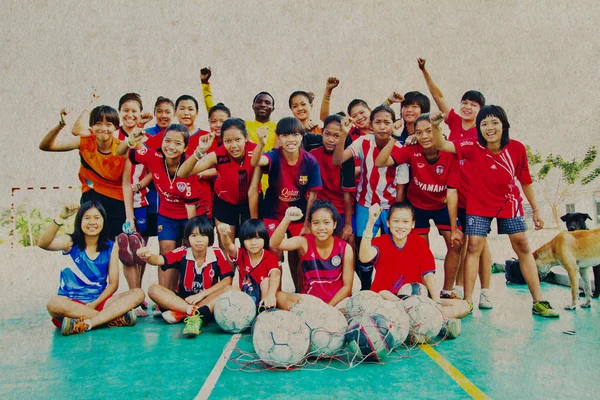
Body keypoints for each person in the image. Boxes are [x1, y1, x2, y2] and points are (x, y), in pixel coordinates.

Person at [430, 107, 559, 317]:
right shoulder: (472, 146)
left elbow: (525, 181)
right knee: (473, 247)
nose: (489, 128)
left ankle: (539, 301)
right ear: (479, 128)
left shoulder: (517, 148)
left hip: (508, 202)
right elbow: (443, 144)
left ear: (504, 124)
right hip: (479, 204)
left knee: (523, 245)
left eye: (494, 122)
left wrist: (536, 210)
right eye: (484, 124)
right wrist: (436, 126)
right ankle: (468, 302)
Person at [417, 57, 491, 306]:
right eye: (465, 102)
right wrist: (425, 70)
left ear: (482, 109)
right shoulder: (455, 123)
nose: (468, 107)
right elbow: (437, 96)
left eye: (474, 104)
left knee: (479, 243)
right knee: (462, 242)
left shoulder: (482, 131)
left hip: (478, 196)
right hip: (458, 194)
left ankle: (485, 291)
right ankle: (457, 287)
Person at [375, 113, 462, 300]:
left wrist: (454, 228)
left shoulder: (450, 153)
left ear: (438, 131)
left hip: (442, 205)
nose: (424, 136)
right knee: (421, 250)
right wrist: (395, 137)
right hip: (418, 205)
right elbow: (380, 162)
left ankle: (447, 291)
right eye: (419, 132)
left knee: (456, 243)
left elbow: (452, 192)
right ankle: (421, 295)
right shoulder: (412, 149)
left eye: (429, 131)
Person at [358, 202, 469, 338]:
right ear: (388, 223)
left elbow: (428, 276)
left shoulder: (419, 243)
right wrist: (370, 223)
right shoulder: (381, 242)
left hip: (415, 302)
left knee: (463, 306)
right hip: (387, 302)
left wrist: (437, 304)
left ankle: (424, 321)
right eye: (396, 221)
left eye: (405, 222)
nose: (400, 226)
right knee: (383, 294)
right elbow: (364, 257)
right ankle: (431, 324)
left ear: (412, 224)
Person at [332, 105, 409, 290]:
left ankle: (392, 285)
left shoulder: (400, 149)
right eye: (378, 122)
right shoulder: (363, 142)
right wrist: (344, 133)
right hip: (365, 204)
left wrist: (394, 215)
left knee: (393, 246)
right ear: (371, 124)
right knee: (363, 247)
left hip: (390, 206)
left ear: (394, 125)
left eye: (387, 122)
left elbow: (400, 189)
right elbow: (337, 160)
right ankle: (366, 288)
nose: (382, 126)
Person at [39, 202, 144, 336]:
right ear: (80, 221)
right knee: (53, 304)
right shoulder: (70, 243)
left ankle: (82, 323)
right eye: (87, 218)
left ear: (104, 221)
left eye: (97, 217)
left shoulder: (111, 247)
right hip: (71, 304)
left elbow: (113, 284)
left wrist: (94, 304)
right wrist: (60, 217)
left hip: (99, 301)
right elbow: (43, 243)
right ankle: (111, 319)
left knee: (138, 293)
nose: (92, 222)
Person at [122, 124, 200, 294]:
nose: (171, 146)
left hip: (187, 215)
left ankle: (182, 292)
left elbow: (191, 207)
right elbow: (124, 151)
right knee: (166, 249)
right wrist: (131, 139)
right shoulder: (153, 157)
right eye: (167, 141)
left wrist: (191, 232)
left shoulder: (190, 166)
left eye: (178, 143)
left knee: (186, 250)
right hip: (166, 215)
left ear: (186, 147)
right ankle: (164, 297)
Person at [39, 104, 136, 238]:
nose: (103, 128)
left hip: (117, 202)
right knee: (91, 244)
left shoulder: (123, 149)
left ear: (115, 127)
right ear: (91, 126)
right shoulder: (84, 142)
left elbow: (126, 185)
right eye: (98, 123)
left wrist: (129, 218)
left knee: (116, 248)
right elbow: (46, 146)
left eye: (108, 124)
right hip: (91, 197)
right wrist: (61, 124)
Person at [250, 117, 322, 291]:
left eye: (295, 135)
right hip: (273, 214)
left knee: (301, 251)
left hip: (299, 217)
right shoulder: (274, 156)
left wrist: (307, 225)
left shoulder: (310, 161)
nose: (290, 139)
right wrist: (261, 143)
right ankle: (276, 294)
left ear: (302, 136)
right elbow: (256, 161)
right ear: (279, 138)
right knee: (274, 250)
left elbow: (313, 196)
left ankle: (301, 292)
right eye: (285, 135)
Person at [136, 217, 234, 337]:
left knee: (232, 289)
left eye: (203, 235)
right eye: (194, 235)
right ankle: (193, 312)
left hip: (206, 300)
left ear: (209, 238)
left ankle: (183, 313)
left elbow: (227, 280)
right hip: (183, 301)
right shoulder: (182, 252)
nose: (199, 240)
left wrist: (202, 294)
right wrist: (147, 255)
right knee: (153, 289)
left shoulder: (216, 253)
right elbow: (159, 259)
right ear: (187, 238)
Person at [178, 118, 260, 244]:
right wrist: (200, 151)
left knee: (251, 244)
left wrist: (254, 221)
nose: (233, 145)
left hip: (251, 202)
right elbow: (182, 173)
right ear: (222, 141)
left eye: (238, 139)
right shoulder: (219, 154)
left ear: (245, 138)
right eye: (227, 141)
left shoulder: (255, 151)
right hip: (225, 202)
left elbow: (254, 189)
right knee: (226, 245)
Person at [270, 201, 354, 309]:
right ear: (310, 225)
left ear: (335, 224)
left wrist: (328, 308)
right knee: (279, 296)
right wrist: (287, 219)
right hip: (310, 301)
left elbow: (347, 287)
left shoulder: (345, 248)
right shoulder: (304, 243)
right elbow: (274, 244)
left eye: (326, 222)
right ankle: (307, 315)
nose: (321, 227)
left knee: (348, 309)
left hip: (336, 303)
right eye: (316, 223)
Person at [309, 114, 356, 246]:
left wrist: (347, 224)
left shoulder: (346, 157)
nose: (330, 140)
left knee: (349, 239)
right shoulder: (313, 154)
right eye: (327, 134)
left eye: (337, 136)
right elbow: (312, 191)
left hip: (341, 206)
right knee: (311, 240)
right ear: (321, 133)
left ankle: (349, 267)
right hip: (320, 206)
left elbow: (347, 194)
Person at [217, 219, 281, 308]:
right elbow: (228, 246)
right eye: (248, 239)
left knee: (266, 282)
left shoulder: (270, 256)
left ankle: (264, 310)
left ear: (265, 239)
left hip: (265, 298)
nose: (253, 243)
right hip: (246, 298)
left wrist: (271, 294)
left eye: (258, 238)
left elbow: (275, 274)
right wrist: (224, 234)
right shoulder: (241, 253)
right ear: (242, 240)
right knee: (231, 288)